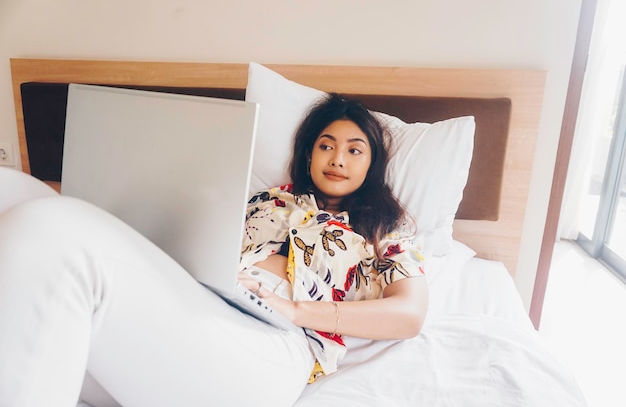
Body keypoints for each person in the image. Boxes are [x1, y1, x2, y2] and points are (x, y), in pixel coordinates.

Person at [0, 93, 428, 407]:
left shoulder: (385, 231)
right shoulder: (262, 200)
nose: (338, 158)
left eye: (355, 150)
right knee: (12, 190)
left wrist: (298, 311)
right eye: (326, 145)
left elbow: (408, 316)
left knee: (47, 228)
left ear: (372, 165)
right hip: (202, 300)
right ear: (309, 153)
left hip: (278, 339)